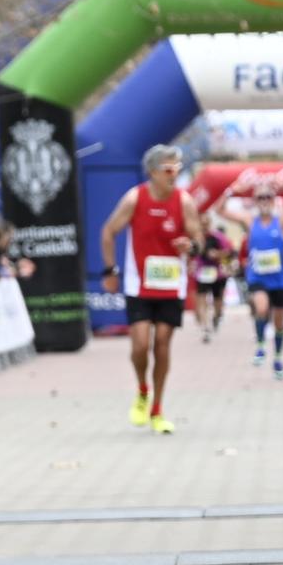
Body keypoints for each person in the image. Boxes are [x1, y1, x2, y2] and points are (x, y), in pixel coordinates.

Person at [97, 144, 202, 434]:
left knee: (163, 344)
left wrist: (190, 246)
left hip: (171, 283)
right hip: (138, 283)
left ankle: (158, 408)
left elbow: (199, 239)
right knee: (141, 345)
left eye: (178, 169)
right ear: (153, 172)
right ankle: (143, 390)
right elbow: (108, 231)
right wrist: (109, 270)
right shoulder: (135, 198)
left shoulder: (184, 202)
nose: (174, 175)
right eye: (169, 169)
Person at [222, 180, 283, 380]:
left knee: (279, 323)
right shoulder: (249, 221)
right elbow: (220, 210)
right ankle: (260, 344)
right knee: (261, 308)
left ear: (274, 200)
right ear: (255, 201)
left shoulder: (282, 219)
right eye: (260, 197)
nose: (264, 200)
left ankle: (277, 358)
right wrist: (232, 190)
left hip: (279, 280)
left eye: (268, 196)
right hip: (258, 276)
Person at [191, 224, 231, 342]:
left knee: (217, 300)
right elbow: (191, 253)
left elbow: (228, 251)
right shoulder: (195, 236)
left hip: (217, 273)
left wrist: (217, 254)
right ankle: (205, 328)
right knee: (201, 299)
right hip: (201, 273)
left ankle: (217, 317)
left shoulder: (218, 237)